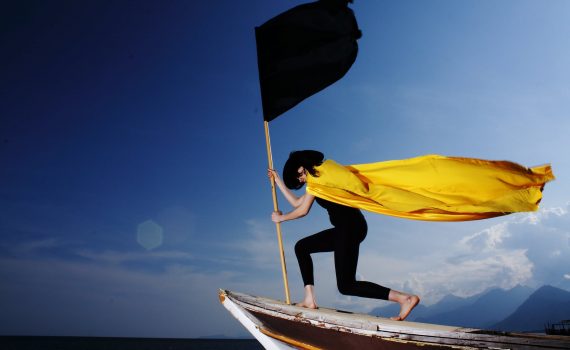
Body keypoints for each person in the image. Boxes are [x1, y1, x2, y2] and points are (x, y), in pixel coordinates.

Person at [268, 150, 420, 321]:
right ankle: (309, 299)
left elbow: (302, 211)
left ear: (302, 166)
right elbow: (297, 202)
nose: (300, 180)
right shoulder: (320, 177)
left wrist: (281, 218)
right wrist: (277, 181)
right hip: (349, 228)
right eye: (298, 180)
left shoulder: (317, 179)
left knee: (346, 285)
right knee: (302, 247)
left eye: (299, 175)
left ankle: (404, 298)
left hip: (349, 228)